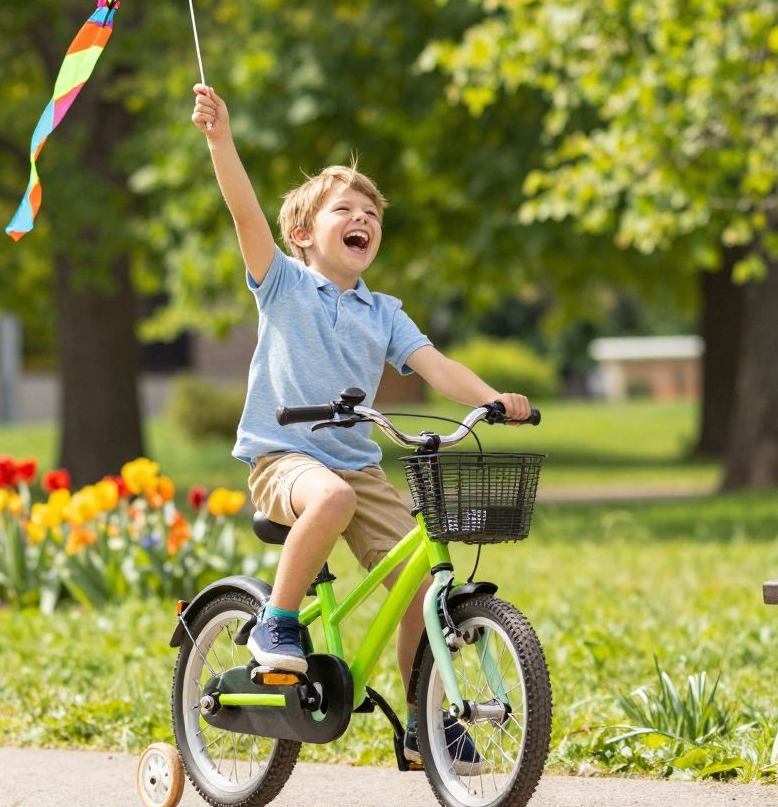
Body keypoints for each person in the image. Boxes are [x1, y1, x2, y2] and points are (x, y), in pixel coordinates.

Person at [192, 83, 532, 771]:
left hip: (356, 463)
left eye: (371, 213)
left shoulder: (383, 311)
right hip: (283, 458)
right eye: (343, 210)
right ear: (302, 236)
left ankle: (419, 726)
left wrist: (494, 398)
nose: (362, 219)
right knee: (332, 499)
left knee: (419, 584)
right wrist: (221, 140)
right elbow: (243, 213)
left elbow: (435, 365)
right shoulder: (283, 283)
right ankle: (276, 623)